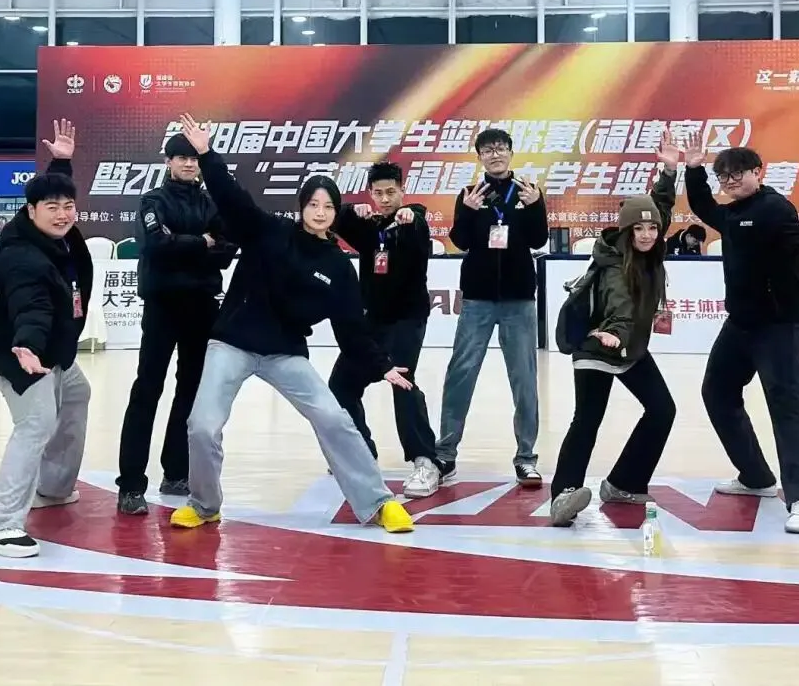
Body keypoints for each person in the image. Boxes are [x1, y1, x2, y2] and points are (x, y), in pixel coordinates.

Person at [168, 114, 415, 534]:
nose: (320, 212)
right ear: (302, 207)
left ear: (336, 213)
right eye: (313, 204)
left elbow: (352, 329)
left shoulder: (337, 266)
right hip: (233, 343)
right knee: (202, 425)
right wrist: (207, 155)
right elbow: (232, 198)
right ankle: (205, 505)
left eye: (328, 206)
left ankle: (378, 503)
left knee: (334, 418)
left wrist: (382, 364)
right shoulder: (269, 231)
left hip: (285, 352)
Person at [685, 144, 799, 534]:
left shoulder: (774, 207)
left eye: (737, 174)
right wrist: (693, 170)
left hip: (780, 324)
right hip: (741, 323)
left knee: (788, 405)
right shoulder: (732, 214)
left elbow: (798, 241)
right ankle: (756, 476)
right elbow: (703, 205)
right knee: (717, 392)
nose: (730, 182)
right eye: (723, 176)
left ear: (757, 172)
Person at [0, 120, 93, 558]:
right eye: (52, 207)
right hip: (16, 350)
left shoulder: (51, 233)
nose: (62, 214)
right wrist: (28, 342)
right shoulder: (22, 256)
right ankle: (2, 526)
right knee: (36, 422)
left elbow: (54, 193)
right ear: (30, 211)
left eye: (68, 206)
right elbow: (32, 304)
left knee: (76, 393)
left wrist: (61, 163)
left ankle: (53, 487)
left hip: (50, 347)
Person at [550, 138, 681, 526]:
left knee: (662, 409)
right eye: (639, 228)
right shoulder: (616, 267)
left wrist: (669, 171)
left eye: (652, 228)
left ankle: (624, 482)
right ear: (626, 231)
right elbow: (620, 307)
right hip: (599, 347)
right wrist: (616, 334)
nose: (647, 234)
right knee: (587, 420)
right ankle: (563, 496)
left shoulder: (649, 246)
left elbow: (661, 206)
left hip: (628, 349)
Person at [115, 133, 237, 516]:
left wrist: (187, 243)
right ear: (168, 161)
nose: (188, 163)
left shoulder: (210, 202)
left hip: (202, 306)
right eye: (180, 157)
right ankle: (130, 485)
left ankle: (176, 473)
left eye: (194, 158)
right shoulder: (153, 201)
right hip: (162, 306)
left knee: (190, 392)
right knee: (147, 389)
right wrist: (202, 243)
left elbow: (227, 249)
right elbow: (156, 245)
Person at [436, 128, 549, 487]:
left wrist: (536, 207)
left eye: (500, 148)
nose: (495, 154)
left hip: (519, 299)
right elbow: (459, 241)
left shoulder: (528, 192)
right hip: (477, 299)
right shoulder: (470, 194)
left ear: (511, 153)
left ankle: (526, 457)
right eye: (488, 150)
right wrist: (468, 213)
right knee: (461, 373)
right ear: (480, 157)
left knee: (525, 379)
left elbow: (539, 239)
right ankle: (445, 453)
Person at [328, 161, 441, 498]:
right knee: (341, 385)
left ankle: (426, 460)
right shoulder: (369, 228)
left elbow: (418, 224)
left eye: (391, 192)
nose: (385, 199)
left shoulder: (413, 222)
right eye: (378, 193)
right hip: (371, 322)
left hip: (407, 320)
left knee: (402, 382)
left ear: (402, 190)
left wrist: (411, 216)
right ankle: (360, 450)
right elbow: (335, 218)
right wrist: (352, 209)